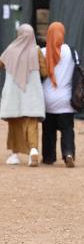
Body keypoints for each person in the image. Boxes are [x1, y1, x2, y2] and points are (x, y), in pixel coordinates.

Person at [1, 24, 47, 166]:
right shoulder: (37, 51)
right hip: (31, 94)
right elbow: (44, 72)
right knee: (31, 123)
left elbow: (1, 64)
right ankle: (33, 151)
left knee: (14, 124)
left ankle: (14, 155)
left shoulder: (10, 50)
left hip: (13, 95)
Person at [41, 22, 76, 167]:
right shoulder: (71, 51)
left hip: (47, 98)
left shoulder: (43, 52)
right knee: (67, 129)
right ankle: (68, 153)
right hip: (66, 99)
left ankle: (49, 157)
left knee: (48, 130)